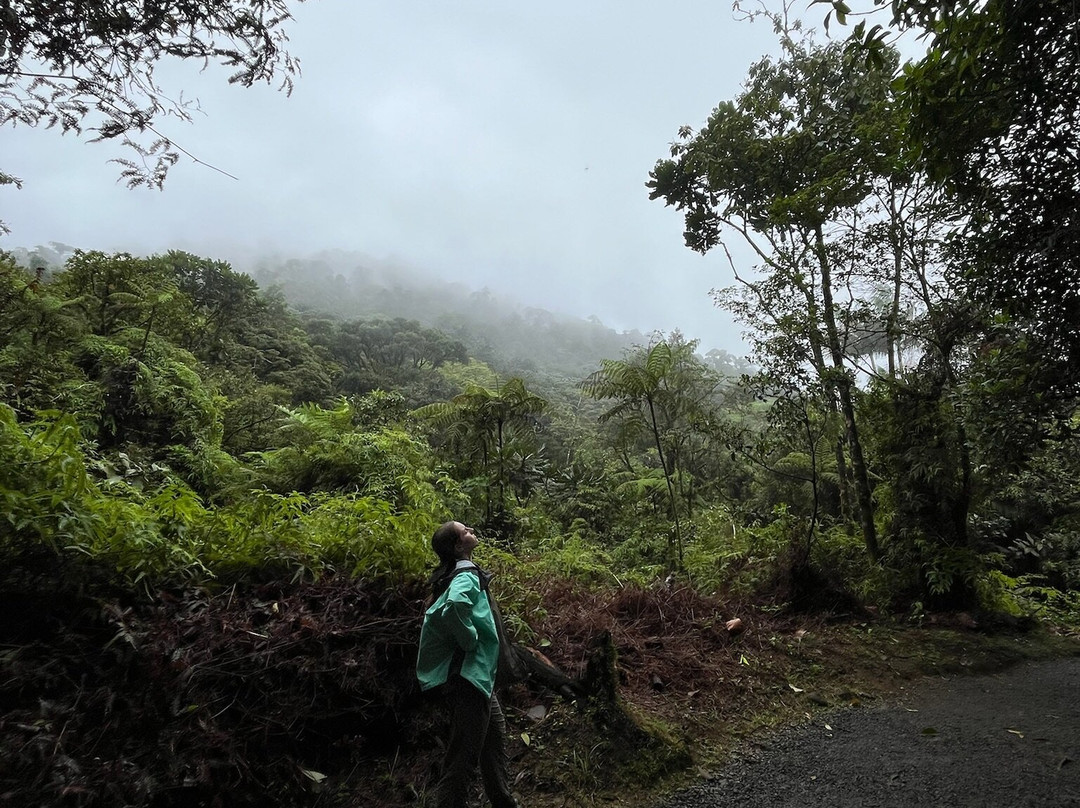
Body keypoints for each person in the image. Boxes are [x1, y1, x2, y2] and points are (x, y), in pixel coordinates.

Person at [416, 521, 521, 808]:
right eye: (466, 532)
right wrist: (470, 639)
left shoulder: (453, 573)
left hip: (479, 677)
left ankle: (503, 801)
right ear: (458, 546)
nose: (472, 531)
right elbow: (454, 609)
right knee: (463, 757)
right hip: (468, 678)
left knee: (494, 743)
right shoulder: (465, 576)